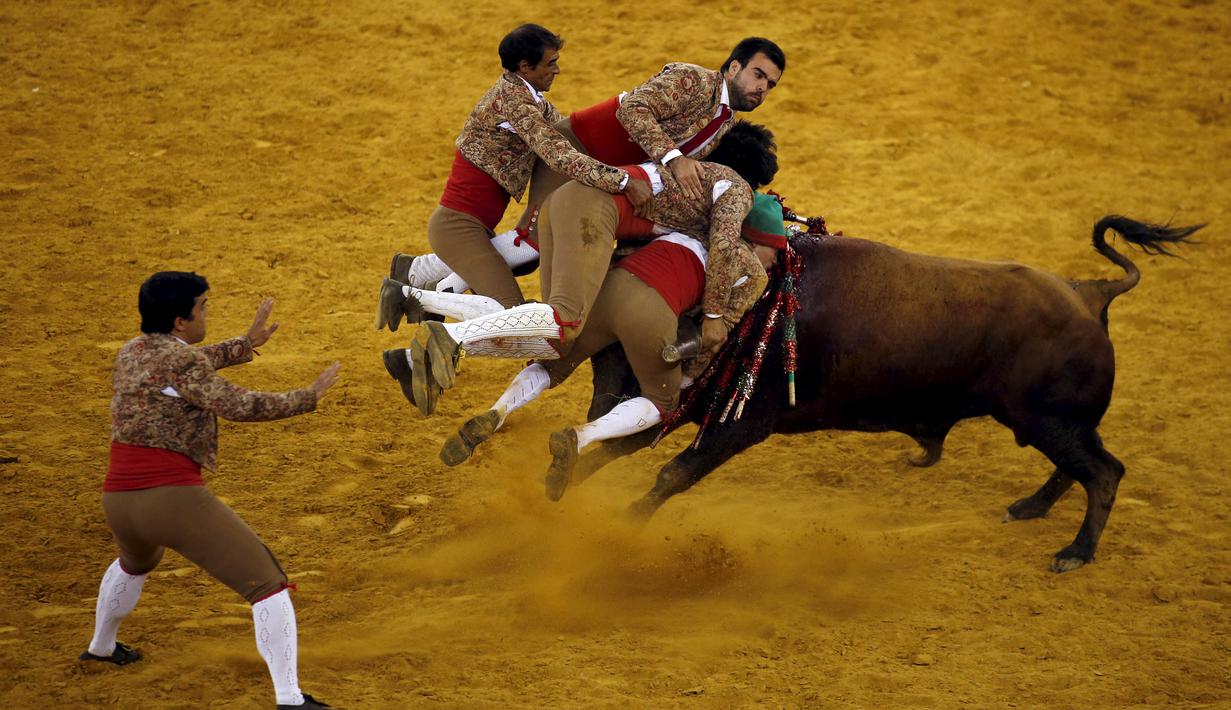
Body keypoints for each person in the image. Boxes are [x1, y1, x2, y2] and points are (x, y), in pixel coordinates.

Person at [380, 122, 779, 416]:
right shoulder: (730, 189)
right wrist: (713, 316)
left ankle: (412, 304)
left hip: (568, 203)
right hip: (591, 211)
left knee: (554, 336)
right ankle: (449, 332)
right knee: (563, 320)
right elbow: (723, 245)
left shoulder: (686, 176)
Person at [79, 271, 341, 710]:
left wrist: (245, 344)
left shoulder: (132, 352)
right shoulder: (182, 363)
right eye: (202, 307)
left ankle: (101, 647)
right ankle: (290, 699)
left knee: (135, 562)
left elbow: (186, 364)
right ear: (180, 321)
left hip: (118, 500)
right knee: (268, 584)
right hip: (170, 500)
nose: (206, 313)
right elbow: (237, 404)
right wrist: (308, 396)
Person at [439, 192, 790, 501]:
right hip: (652, 311)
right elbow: (714, 335)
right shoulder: (753, 272)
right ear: (755, 240)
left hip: (606, 291)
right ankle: (580, 438)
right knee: (662, 402)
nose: (775, 261)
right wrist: (687, 379)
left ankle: (498, 412)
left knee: (551, 363)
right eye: (774, 250)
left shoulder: (683, 228)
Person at [393, 37, 787, 298]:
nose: (762, 88)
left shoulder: (725, 123)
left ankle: (421, 272)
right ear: (733, 67)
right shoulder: (694, 81)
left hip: (604, 170)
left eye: (770, 85)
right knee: (534, 243)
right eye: (758, 75)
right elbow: (633, 110)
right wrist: (674, 158)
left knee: (534, 249)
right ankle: (428, 291)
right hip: (577, 150)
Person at [408, 23, 652, 310]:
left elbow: (567, 137)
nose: (557, 70)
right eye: (550, 63)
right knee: (506, 312)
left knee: (525, 261)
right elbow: (560, 155)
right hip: (458, 228)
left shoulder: (529, 97)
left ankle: (417, 278)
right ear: (525, 66)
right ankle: (415, 295)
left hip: (472, 229)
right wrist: (623, 181)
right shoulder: (516, 102)